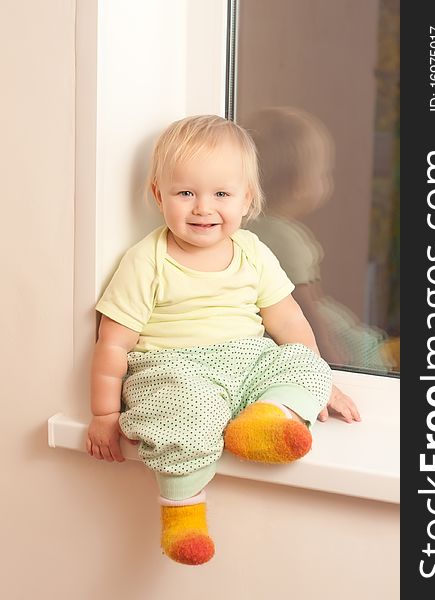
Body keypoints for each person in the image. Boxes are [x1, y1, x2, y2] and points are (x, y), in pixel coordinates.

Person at [86, 115, 360, 566]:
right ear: (160, 196)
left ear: (246, 200)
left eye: (221, 194)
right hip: (176, 369)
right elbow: (113, 343)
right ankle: (183, 514)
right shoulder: (146, 261)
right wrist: (103, 413)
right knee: (177, 418)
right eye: (186, 193)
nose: (202, 208)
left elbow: (289, 322)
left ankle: (267, 419)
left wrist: (323, 382)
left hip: (248, 362)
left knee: (304, 362)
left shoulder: (253, 251)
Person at [243, 106, 397, 373]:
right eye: (324, 172)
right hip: (306, 325)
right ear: (299, 185)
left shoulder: (249, 227)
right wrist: (326, 350)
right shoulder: (287, 239)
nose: (327, 179)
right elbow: (305, 302)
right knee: (365, 350)